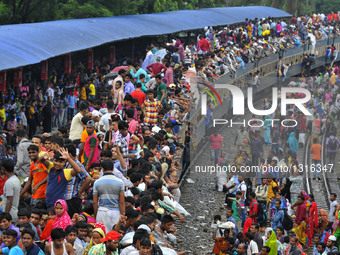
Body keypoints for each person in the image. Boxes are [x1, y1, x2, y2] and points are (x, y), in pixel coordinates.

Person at [93, 159, 125, 231]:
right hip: (115, 212)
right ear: (113, 169)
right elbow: (122, 202)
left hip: (101, 211)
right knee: (114, 235)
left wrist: (96, 214)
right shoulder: (120, 182)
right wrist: (123, 215)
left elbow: (95, 202)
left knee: (101, 235)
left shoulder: (97, 182)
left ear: (102, 169)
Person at [1, 159, 20, 223]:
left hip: (10, 214)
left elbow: (9, 201)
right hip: (14, 212)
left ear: (3, 169)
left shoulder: (9, 182)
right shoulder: (16, 179)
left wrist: (5, 216)